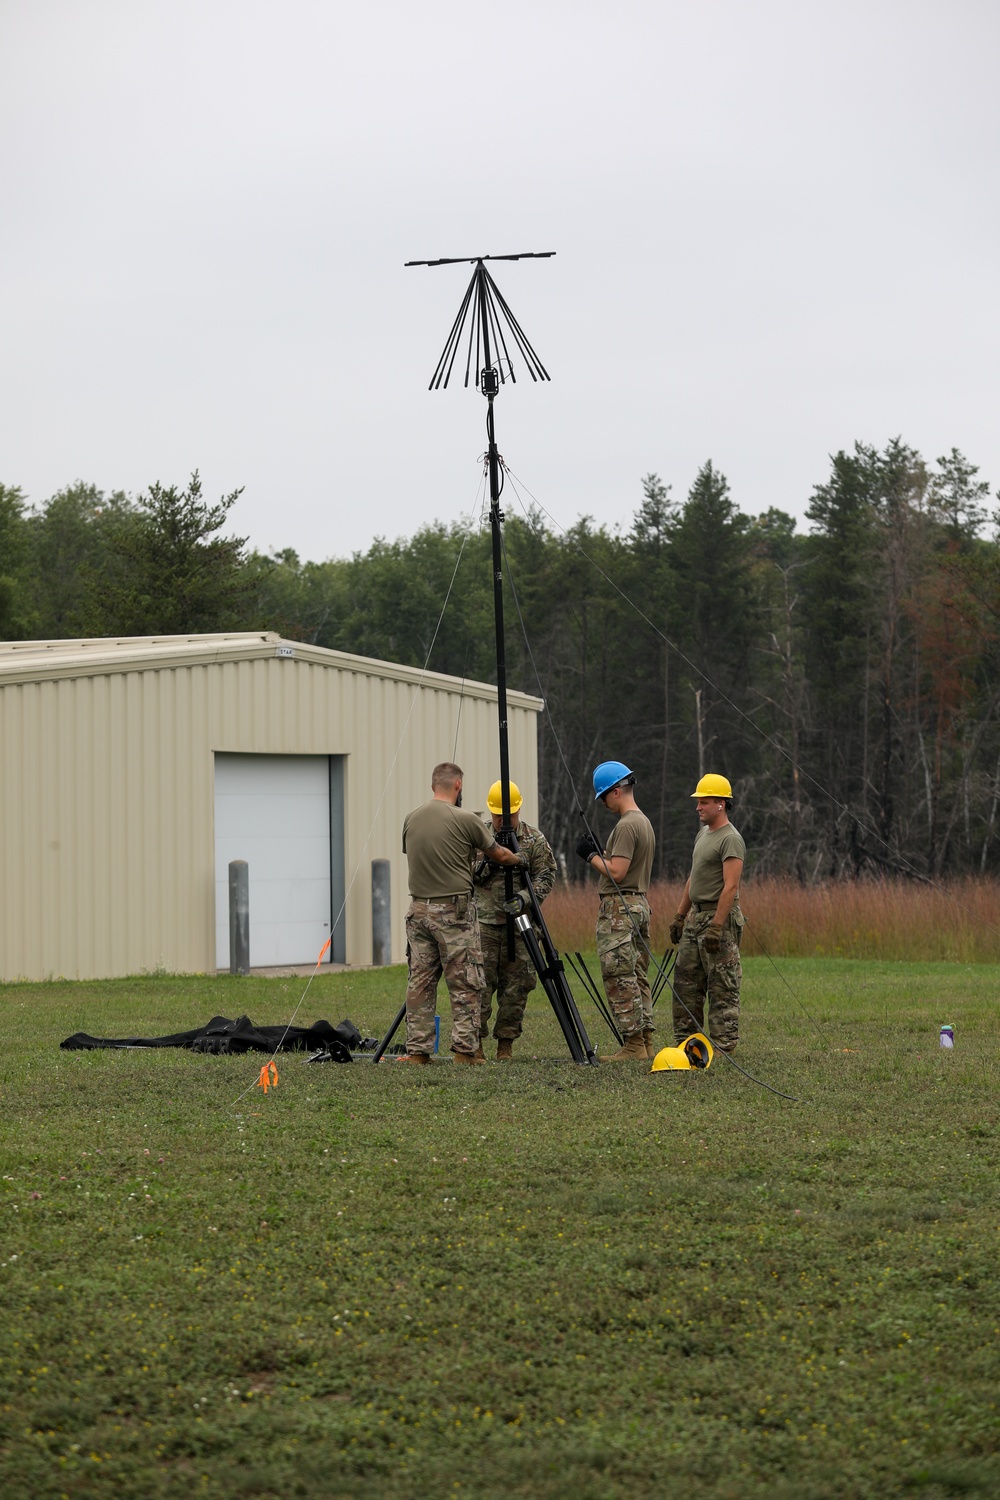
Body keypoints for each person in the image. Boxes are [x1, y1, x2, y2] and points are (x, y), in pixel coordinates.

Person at [401, 762, 526, 1066]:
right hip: (453, 911)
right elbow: (498, 854)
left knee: (420, 982)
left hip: (418, 910)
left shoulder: (411, 818)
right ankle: (465, 1051)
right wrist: (519, 858)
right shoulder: (467, 820)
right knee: (466, 982)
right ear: (458, 785)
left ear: (434, 785)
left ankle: (418, 1051)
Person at [576, 761, 656, 1061]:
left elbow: (618, 872)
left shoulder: (626, 825)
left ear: (617, 791)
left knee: (620, 975)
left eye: (605, 797)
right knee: (637, 975)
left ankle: (634, 1045)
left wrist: (591, 855)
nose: (604, 804)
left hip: (620, 909)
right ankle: (645, 1043)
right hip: (639, 905)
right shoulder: (643, 821)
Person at [473, 779, 556, 1061]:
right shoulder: (478, 836)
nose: (502, 821)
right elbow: (464, 874)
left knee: (517, 986)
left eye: (508, 816)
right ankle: (476, 1042)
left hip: (520, 926)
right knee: (480, 985)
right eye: (497, 816)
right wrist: (487, 861)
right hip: (483, 924)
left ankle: (505, 1044)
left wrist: (524, 898)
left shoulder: (534, 839)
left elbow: (546, 876)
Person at [669, 774, 745, 1054]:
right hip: (695, 918)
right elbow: (694, 878)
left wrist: (717, 926)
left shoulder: (731, 839)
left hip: (718, 920)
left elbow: (731, 886)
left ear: (721, 804)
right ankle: (687, 1044)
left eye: (705, 802)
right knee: (686, 983)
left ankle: (724, 1045)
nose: (698, 807)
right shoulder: (703, 834)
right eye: (698, 802)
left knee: (721, 984)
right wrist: (680, 916)